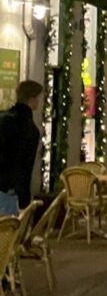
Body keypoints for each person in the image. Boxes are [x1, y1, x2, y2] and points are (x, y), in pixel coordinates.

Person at [0, 79, 43, 215]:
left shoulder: (3, 118)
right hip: (11, 190)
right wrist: (24, 200)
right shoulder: (30, 130)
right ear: (32, 99)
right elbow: (24, 168)